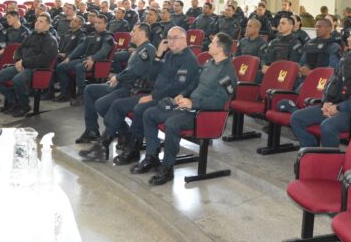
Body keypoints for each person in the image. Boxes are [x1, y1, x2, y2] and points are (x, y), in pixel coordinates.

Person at [130, 33, 237, 185]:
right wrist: (182, 95)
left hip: (204, 114)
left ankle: (167, 168)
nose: (208, 45)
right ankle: (151, 156)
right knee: (149, 114)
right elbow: (194, 84)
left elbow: (220, 102)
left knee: (172, 123)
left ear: (219, 48)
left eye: (212, 43)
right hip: (189, 106)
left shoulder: (227, 72)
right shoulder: (209, 63)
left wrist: (193, 103)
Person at [80, 27, 200, 163]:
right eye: (169, 38)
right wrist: (159, 55)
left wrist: (152, 97)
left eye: (175, 38)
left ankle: (133, 149)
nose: (171, 42)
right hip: (156, 94)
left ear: (185, 39)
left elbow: (176, 87)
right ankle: (103, 146)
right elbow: (152, 76)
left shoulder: (188, 59)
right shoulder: (169, 55)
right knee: (117, 105)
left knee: (140, 109)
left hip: (170, 100)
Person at [290, 24, 351, 148]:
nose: (348, 39)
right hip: (337, 105)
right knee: (297, 118)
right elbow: (332, 84)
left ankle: (331, 161)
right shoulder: (345, 59)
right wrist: (327, 103)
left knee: (328, 126)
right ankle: (311, 150)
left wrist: (339, 108)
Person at [75, 23, 157, 141]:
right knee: (89, 89)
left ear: (142, 33)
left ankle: (124, 132)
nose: (130, 34)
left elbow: (136, 71)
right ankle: (92, 130)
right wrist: (118, 78)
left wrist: (118, 77)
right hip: (122, 84)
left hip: (131, 88)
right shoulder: (139, 49)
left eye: (134, 31)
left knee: (101, 104)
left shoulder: (148, 49)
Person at [0, 13, 59, 117]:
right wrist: (18, 60)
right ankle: (14, 102)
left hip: (36, 69)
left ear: (48, 24)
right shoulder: (31, 36)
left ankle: (24, 105)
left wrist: (24, 62)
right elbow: (19, 49)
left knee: (17, 80)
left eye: (41, 21)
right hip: (22, 65)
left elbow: (43, 59)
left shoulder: (50, 40)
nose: (37, 23)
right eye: (37, 20)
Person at [55, 15, 113, 101]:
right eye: (96, 22)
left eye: (100, 23)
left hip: (97, 62)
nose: (96, 25)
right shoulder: (91, 35)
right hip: (85, 59)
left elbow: (103, 52)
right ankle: (65, 93)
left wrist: (93, 58)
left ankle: (81, 94)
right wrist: (69, 58)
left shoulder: (108, 37)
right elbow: (81, 47)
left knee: (79, 67)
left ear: (105, 24)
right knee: (61, 67)